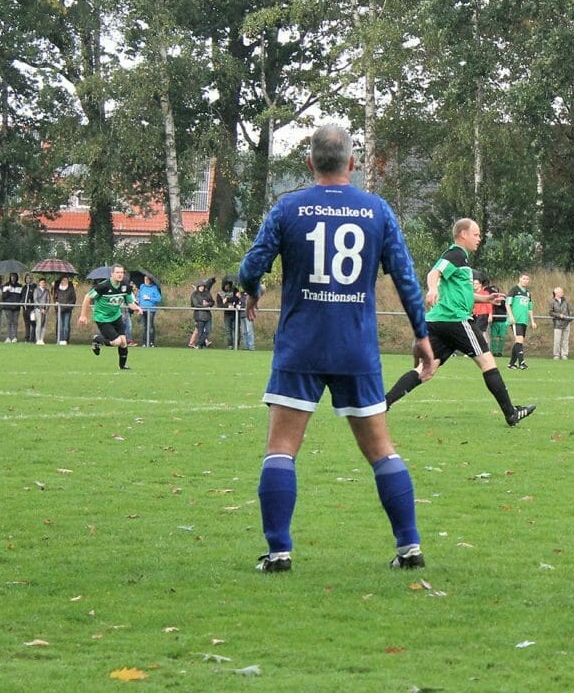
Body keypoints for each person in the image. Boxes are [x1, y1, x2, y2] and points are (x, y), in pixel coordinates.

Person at [238, 124, 436, 573]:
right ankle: (409, 548)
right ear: (353, 164)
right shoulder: (378, 211)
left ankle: (279, 552)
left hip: (301, 346)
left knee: (281, 449)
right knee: (382, 450)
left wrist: (251, 290)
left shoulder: (289, 207)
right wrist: (421, 335)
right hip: (356, 348)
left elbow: (251, 265)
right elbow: (406, 278)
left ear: (309, 163)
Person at [384, 218, 536, 426]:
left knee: (426, 370)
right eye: (476, 234)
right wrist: (433, 288)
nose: (479, 239)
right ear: (463, 234)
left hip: (438, 322)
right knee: (487, 362)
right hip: (455, 321)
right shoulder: (455, 253)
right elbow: (433, 273)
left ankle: (384, 403)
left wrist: (486, 299)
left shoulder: (462, 262)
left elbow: (462, 294)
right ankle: (511, 413)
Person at [79, 265, 142, 370]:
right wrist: (83, 315)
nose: (120, 274)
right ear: (112, 274)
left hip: (116, 316)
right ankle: (96, 339)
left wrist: (137, 308)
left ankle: (122, 366)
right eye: (117, 272)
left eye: (122, 272)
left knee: (123, 342)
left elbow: (130, 302)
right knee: (117, 342)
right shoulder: (104, 286)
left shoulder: (125, 286)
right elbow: (87, 297)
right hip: (102, 318)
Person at [506, 272, 535, 370]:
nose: (525, 281)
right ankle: (522, 363)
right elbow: (507, 304)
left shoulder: (528, 293)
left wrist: (532, 320)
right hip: (515, 320)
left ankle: (511, 364)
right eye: (524, 279)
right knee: (519, 340)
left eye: (527, 279)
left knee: (518, 342)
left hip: (524, 320)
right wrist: (511, 316)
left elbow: (530, 308)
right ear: (519, 279)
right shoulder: (514, 290)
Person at [137, 274, 162, 347]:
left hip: (151, 310)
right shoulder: (142, 286)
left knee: (150, 325)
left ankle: (151, 342)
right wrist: (137, 300)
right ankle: (144, 342)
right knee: (144, 326)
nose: (145, 281)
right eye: (145, 279)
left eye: (147, 280)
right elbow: (138, 295)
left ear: (150, 280)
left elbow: (159, 299)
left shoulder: (154, 288)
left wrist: (149, 298)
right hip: (142, 309)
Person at [549, 286, 573, 360]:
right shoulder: (552, 302)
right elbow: (550, 313)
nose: (562, 293)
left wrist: (569, 318)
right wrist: (559, 315)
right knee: (557, 340)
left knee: (565, 340)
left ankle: (564, 354)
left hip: (566, 323)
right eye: (561, 292)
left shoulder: (566, 301)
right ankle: (556, 355)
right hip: (557, 324)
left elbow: (570, 311)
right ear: (556, 293)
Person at [53, 275, 77, 345]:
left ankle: (65, 340)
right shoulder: (57, 288)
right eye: (63, 280)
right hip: (59, 310)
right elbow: (55, 298)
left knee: (66, 326)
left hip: (67, 310)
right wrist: (56, 303)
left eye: (66, 280)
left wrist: (69, 306)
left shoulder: (71, 288)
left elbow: (74, 299)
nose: (65, 281)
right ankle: (60, 339)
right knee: (60, 326)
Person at [0, 272, 23, 342]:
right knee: (9, 322)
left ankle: (14, 337)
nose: (13, 278)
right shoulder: (6, 285)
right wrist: (7, 290)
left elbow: (21, 296)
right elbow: (3, 297)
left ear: (16, 277)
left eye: (14, 276)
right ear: (10, 277)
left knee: (15, 322)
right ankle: (8, 337)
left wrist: (19, 303)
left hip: (16, 308)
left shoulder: (19, 286)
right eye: (12, 276)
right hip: (8, 307)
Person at [189, 281, 213, 348]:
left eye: (203, 286)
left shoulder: (207, 293)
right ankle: (200, 345)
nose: (202, 288)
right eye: (200, 286)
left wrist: (208, 304)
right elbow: (195, 304)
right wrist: (205, 306)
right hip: (199, 315)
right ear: (198, 287)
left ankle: (198, 344)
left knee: (208, 330)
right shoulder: (194, 294)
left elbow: (212, 302)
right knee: (200, 332)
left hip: (208, 315)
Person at [32, 277, 51, 344]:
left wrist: (46, 309)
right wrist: (41, 308)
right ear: (39, 283)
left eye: (44, 282)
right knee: (39, 324)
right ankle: (38, 339)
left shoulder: (47, 291)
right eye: (42, 282)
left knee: (44, 325)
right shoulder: (36, 290)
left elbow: (48, 300)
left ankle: (42, 339)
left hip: (45, 310)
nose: (43, 284)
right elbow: (35, 300)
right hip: (38, 309)